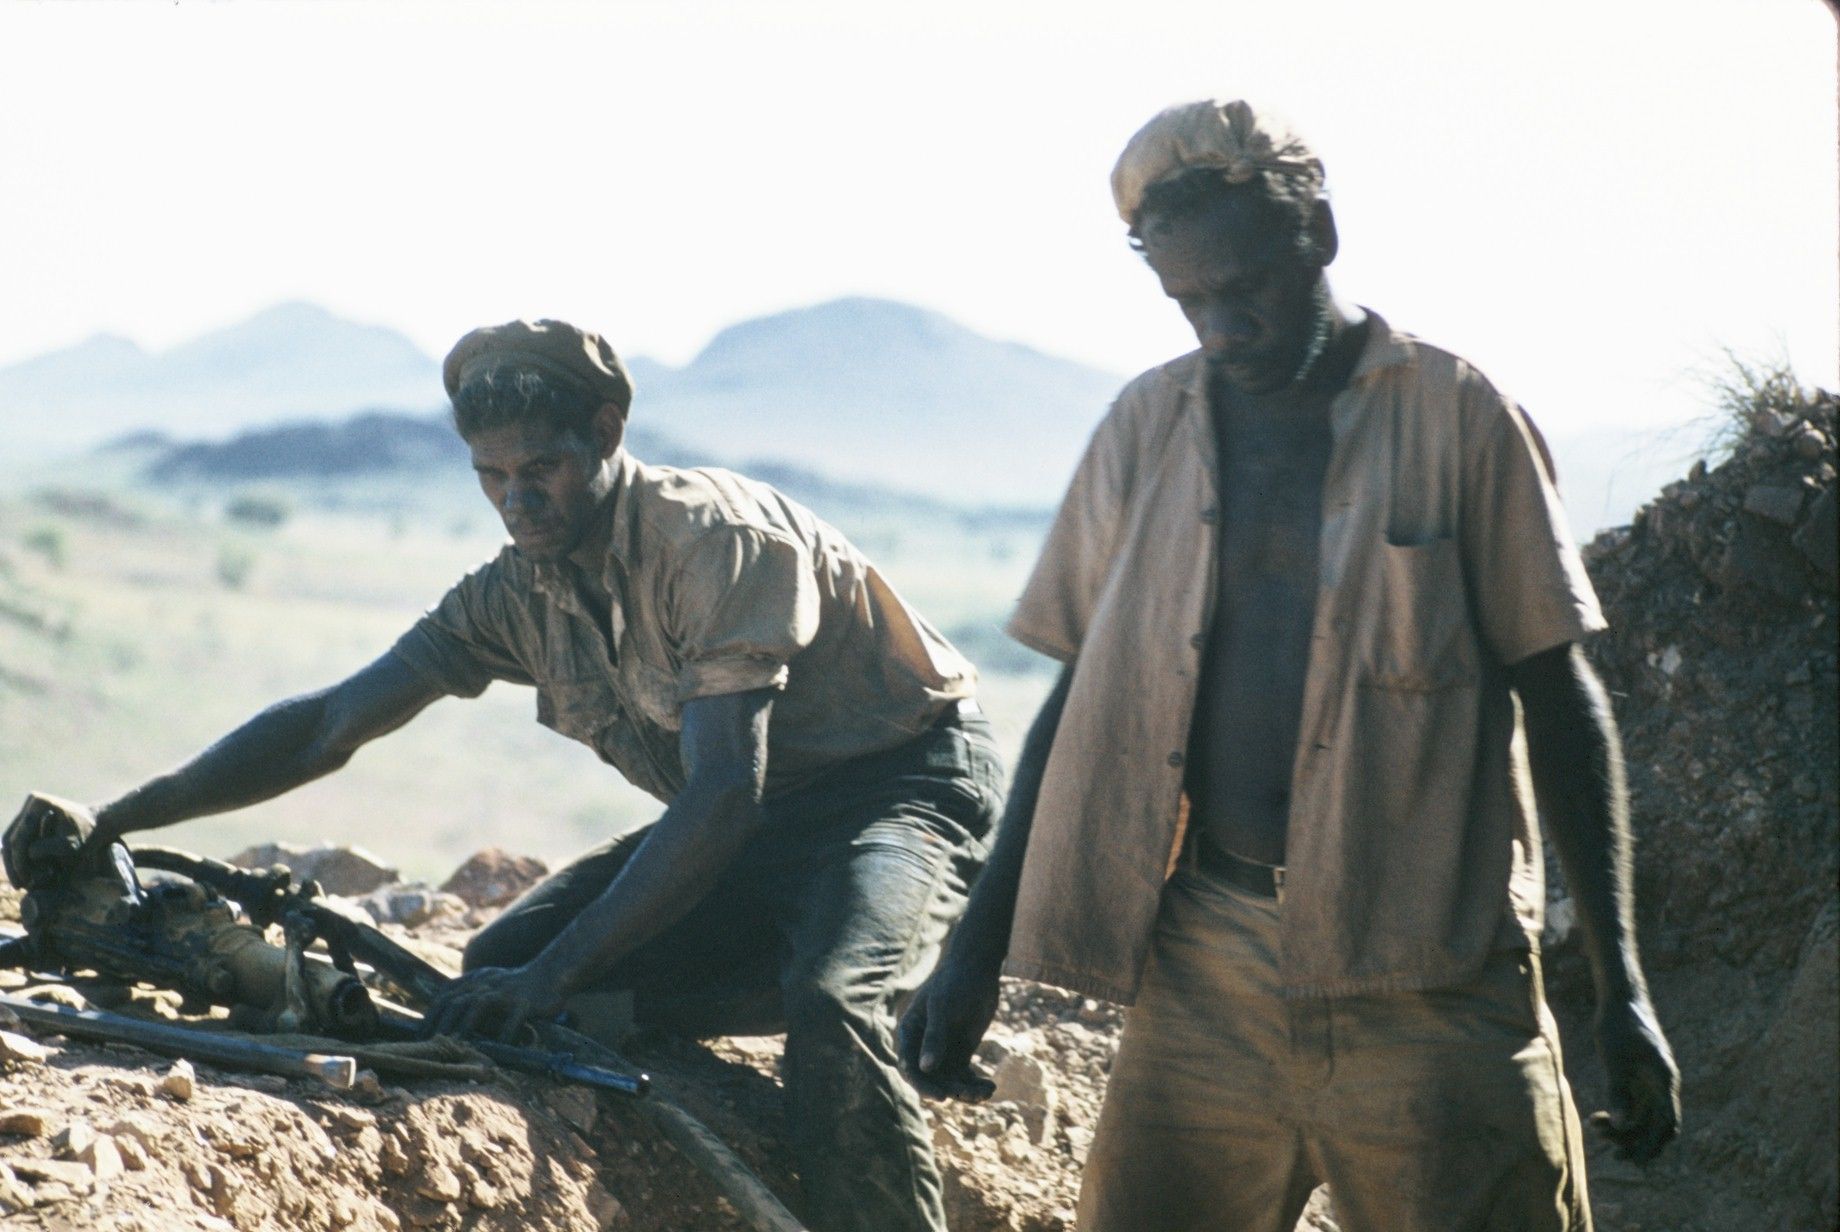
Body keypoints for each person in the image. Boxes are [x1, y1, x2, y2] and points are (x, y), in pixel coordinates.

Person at [5, 319, 1002, 1232]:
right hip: (759, 820)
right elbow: (328, 723)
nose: (518, 500)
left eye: (543, 468)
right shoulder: (516, 588)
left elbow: (722, 798)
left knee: (830, 999)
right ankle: (795, 994)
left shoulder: (715, 542)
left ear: (608, 431)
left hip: (896, 785)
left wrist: (557, 972)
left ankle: (865, 1026)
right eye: (492, 476)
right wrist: (116, 814)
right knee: (498, 972)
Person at [898, 99, 1680, 1231]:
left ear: (1314, 233)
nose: (1220, 327)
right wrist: (975, 948)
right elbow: (1077, 703)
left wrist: (1622, 990)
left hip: (1431, 965)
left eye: (1243, 288)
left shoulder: (1457, 416)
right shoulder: (1143, 428)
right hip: (1203, 965)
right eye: (1187, 300)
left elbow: (1559, 699)